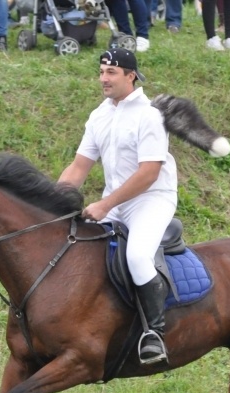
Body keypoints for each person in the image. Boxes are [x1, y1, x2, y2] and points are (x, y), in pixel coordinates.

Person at [58, 48, 176, 365]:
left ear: (130, 75)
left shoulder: (150, 116)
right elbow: (79, 166)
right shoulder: (100, 115)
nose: (103, 79)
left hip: (152, 198)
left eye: (111, 73)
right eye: (101, 72)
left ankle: (155, 334)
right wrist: (53, 199)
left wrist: (105, 204)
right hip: (115, 200)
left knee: (137, 256)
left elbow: (149, 173)